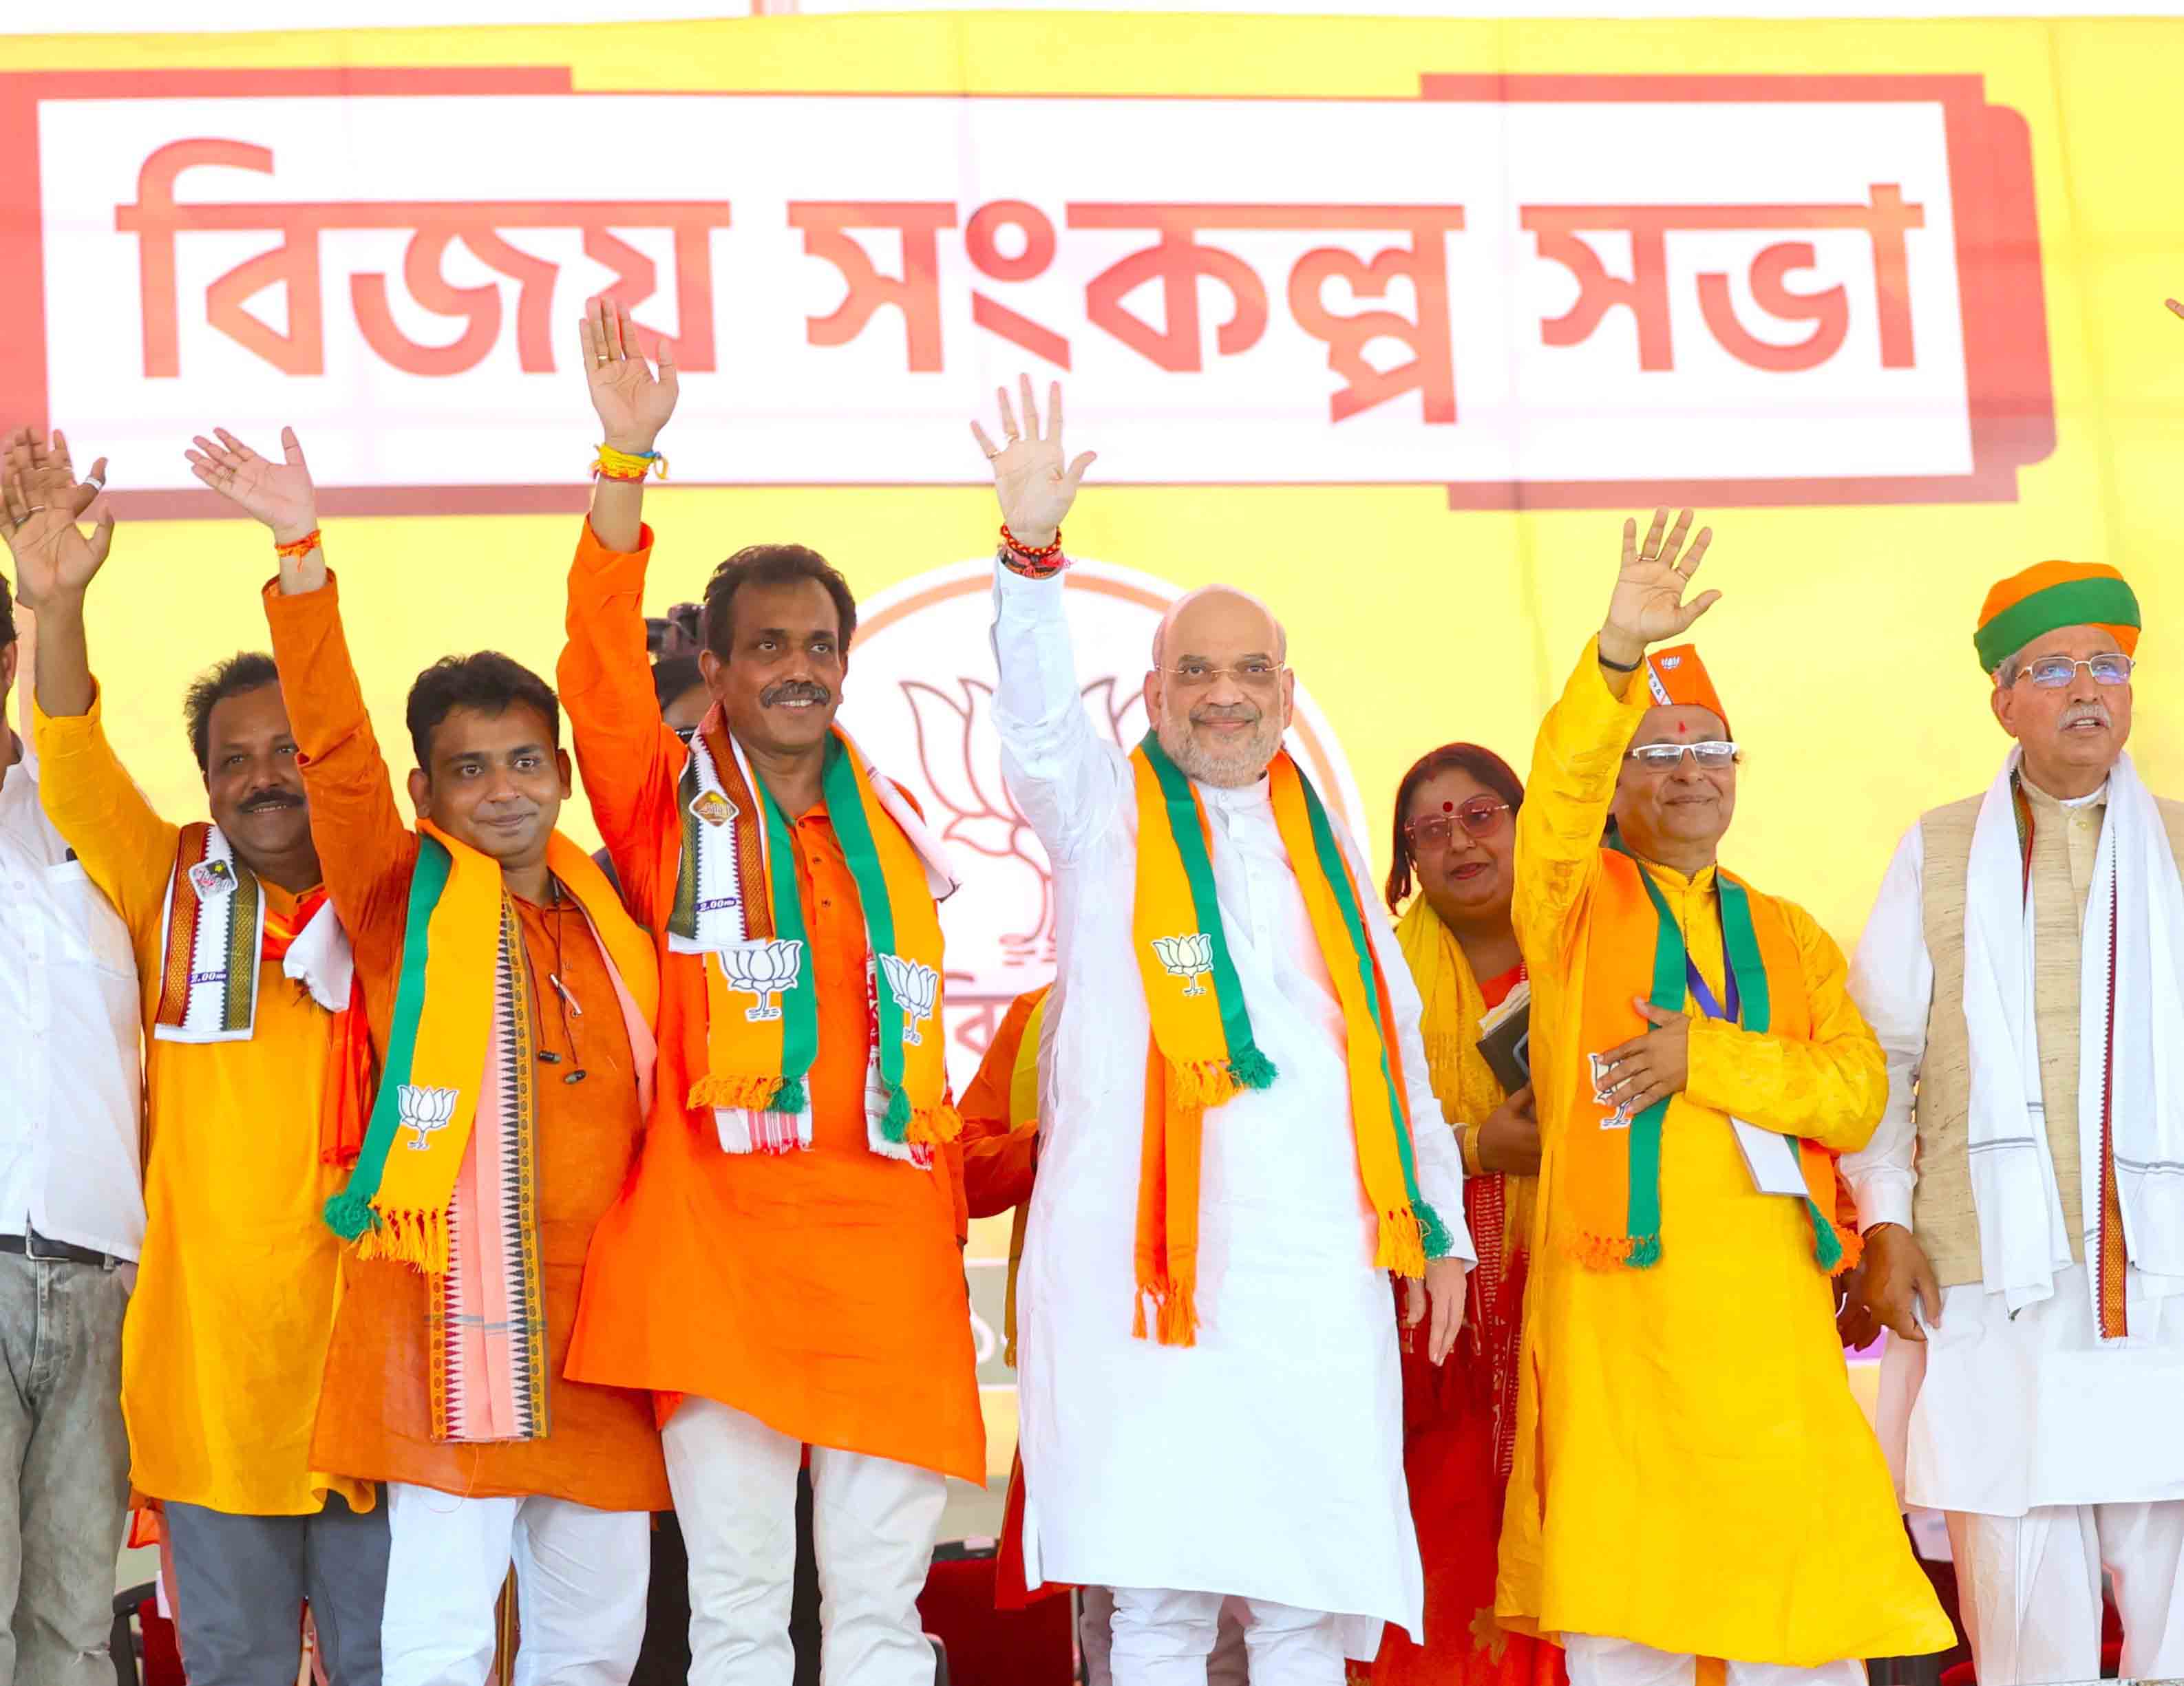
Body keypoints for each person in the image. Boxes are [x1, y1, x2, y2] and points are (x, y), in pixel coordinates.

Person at [975, 374, 1474, 1686]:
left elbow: (1399, 1061)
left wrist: (1440, 1230)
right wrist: (1029, 562)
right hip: (1145, 1276)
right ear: (1151, 693)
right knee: (1158, 1604)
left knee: (1305, 1602)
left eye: (1248, 671)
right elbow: (1031, 727)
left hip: (1313, 1268)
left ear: (1287, 690)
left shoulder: (1338, 861)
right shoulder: (1101, 816)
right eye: (1194, 671)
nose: (1223, 695)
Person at [182, 423, 670, 1686]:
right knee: (437, 1647)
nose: (502, 789)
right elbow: (332, 742)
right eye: (469, 770)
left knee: (593, 1650)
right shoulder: (399, 897)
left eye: (523, 762)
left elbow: (611, 670)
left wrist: (622, 464)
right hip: (454, 1332)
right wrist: (300, 551)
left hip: (608, 1344)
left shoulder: (615, 912)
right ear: (424, 792)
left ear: (561, 774)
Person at [554, 297, 982, 1686]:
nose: (798, 669)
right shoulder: (670, 820)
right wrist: (624, 465)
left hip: (886, 1267)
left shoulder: (900, 834)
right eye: (769, 648)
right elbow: (599, 678)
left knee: (877, 1619)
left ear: (842, 666)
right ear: (722, 672)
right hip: (718, 1256)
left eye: (819, 648)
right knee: (736, 1612)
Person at [1494, 509, 1952, 1686]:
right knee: (1628, 1618)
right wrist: (1610, 660)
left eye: (1712, 749)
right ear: (1614, 784)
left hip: (1768, 1328)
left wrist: (1707, 1057)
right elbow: (1550, 800)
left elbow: (1852, 1095)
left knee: (1790, 1617)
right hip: (1621, 1322)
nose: (1691, 769)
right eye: (1658, 751)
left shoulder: (1787, 933)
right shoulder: (1570, 903)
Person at [8, 426, 388, 1684]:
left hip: (374, 1381)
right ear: (206, 787)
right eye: (234, 762)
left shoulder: (399, 901)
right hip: (218, 1387)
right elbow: (68, 749)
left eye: (289, 751)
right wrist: (54, 604)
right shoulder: (169, 881)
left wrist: (298, 551)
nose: (266, 778)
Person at [1843, 561, 2184, 1683]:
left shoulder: (2181, 842)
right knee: (2024, 1610)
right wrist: (1883, 1216)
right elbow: (1881, 1055)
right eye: (2053, 668)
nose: (2087, 687)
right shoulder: (1939, 847)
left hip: (2165, 1278)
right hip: (1993, 1275)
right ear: (2003, 698)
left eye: (2108, 663)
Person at [0, 445, 142, 1686]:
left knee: (71, 1633)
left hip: (105, 1278)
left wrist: (57, 604)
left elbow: (71, 731)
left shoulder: (93, 834)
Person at [1372, 744, 1557, 1686]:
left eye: (1479, 814)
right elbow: (1350, 1126)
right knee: (1439, 1577)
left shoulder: (1594, 951)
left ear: (1527, 823)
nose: (1458, 840)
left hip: (1574, 1307)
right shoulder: (1372, 976)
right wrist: (1482, 1146)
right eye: (1430, 828)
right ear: (1407, 859)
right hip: (1432, 1335)